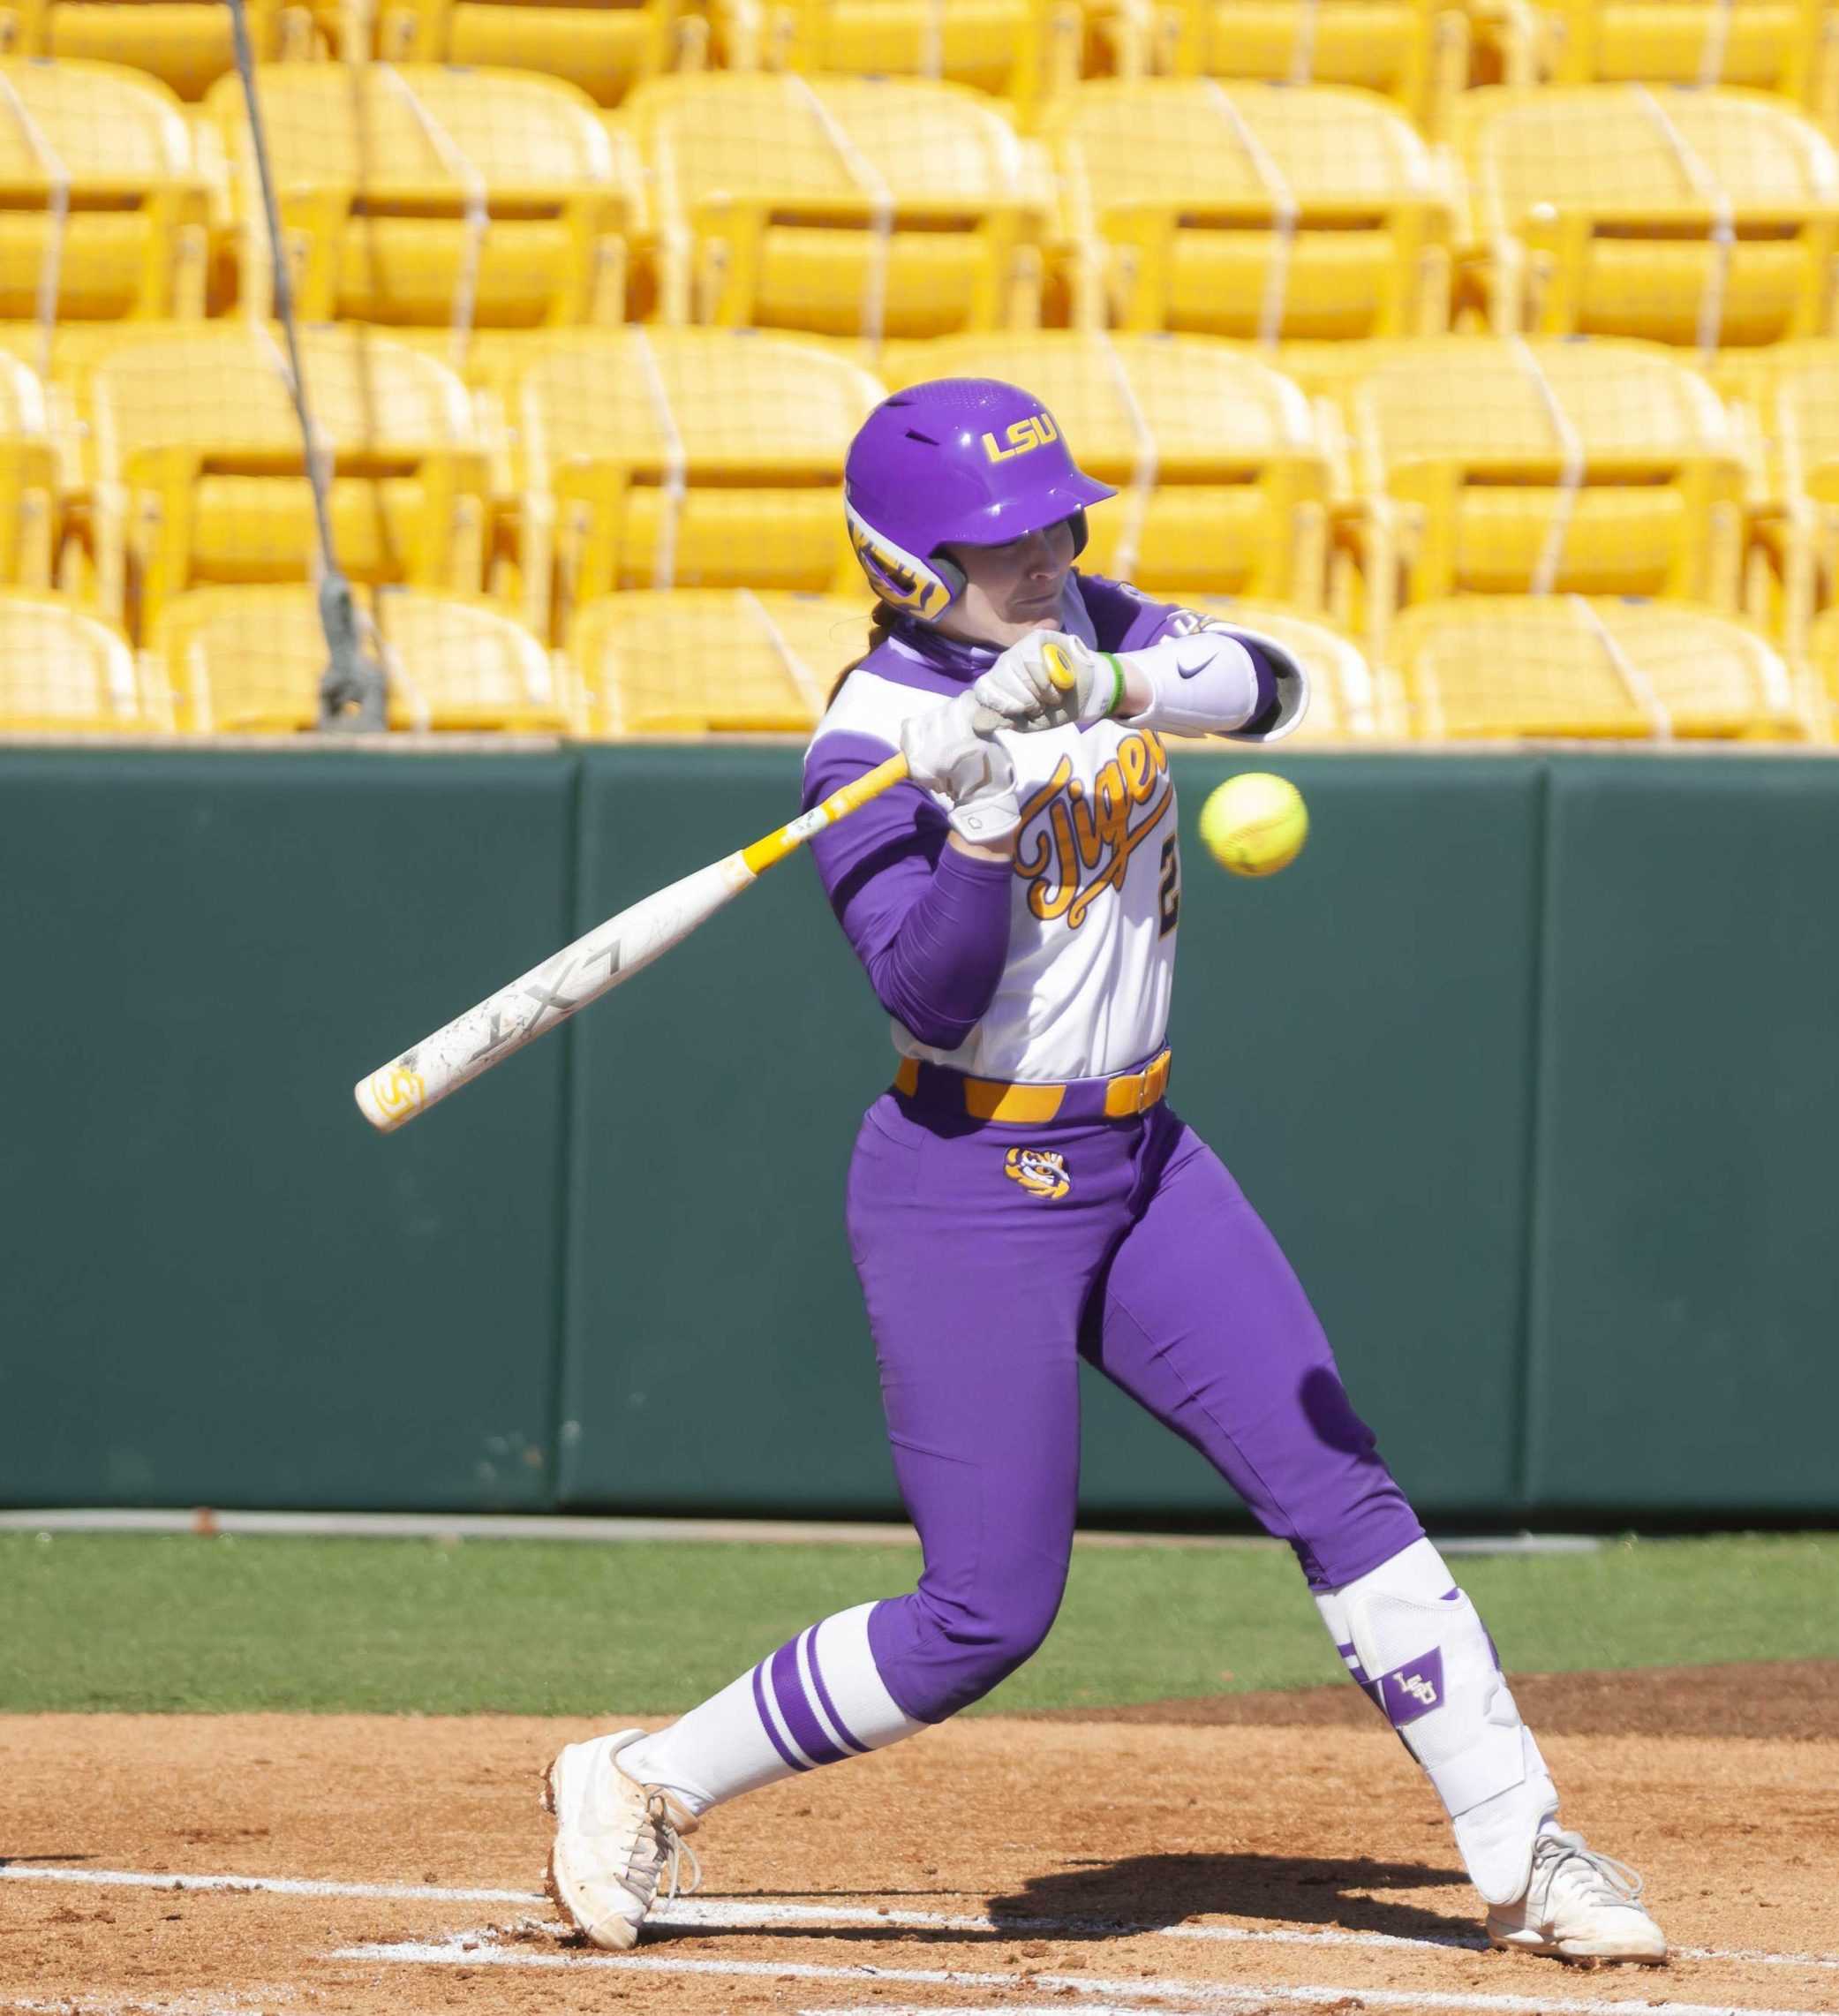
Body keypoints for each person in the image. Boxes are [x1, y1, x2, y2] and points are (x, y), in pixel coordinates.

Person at [543, 379, 1667, 1968]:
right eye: (1005, 545)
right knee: (985, 1613)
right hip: (967, 1177)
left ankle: (1526, 1848)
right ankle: (645, 1780)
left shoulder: (1090, 621)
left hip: (1140, 1157)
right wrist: (982, 828)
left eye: (1060, 522)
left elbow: (1268, 685)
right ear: (908, 571)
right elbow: (925, 995)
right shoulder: (863, 747)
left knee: (1336, 1477)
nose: (1048, 554)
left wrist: (1106, 672)